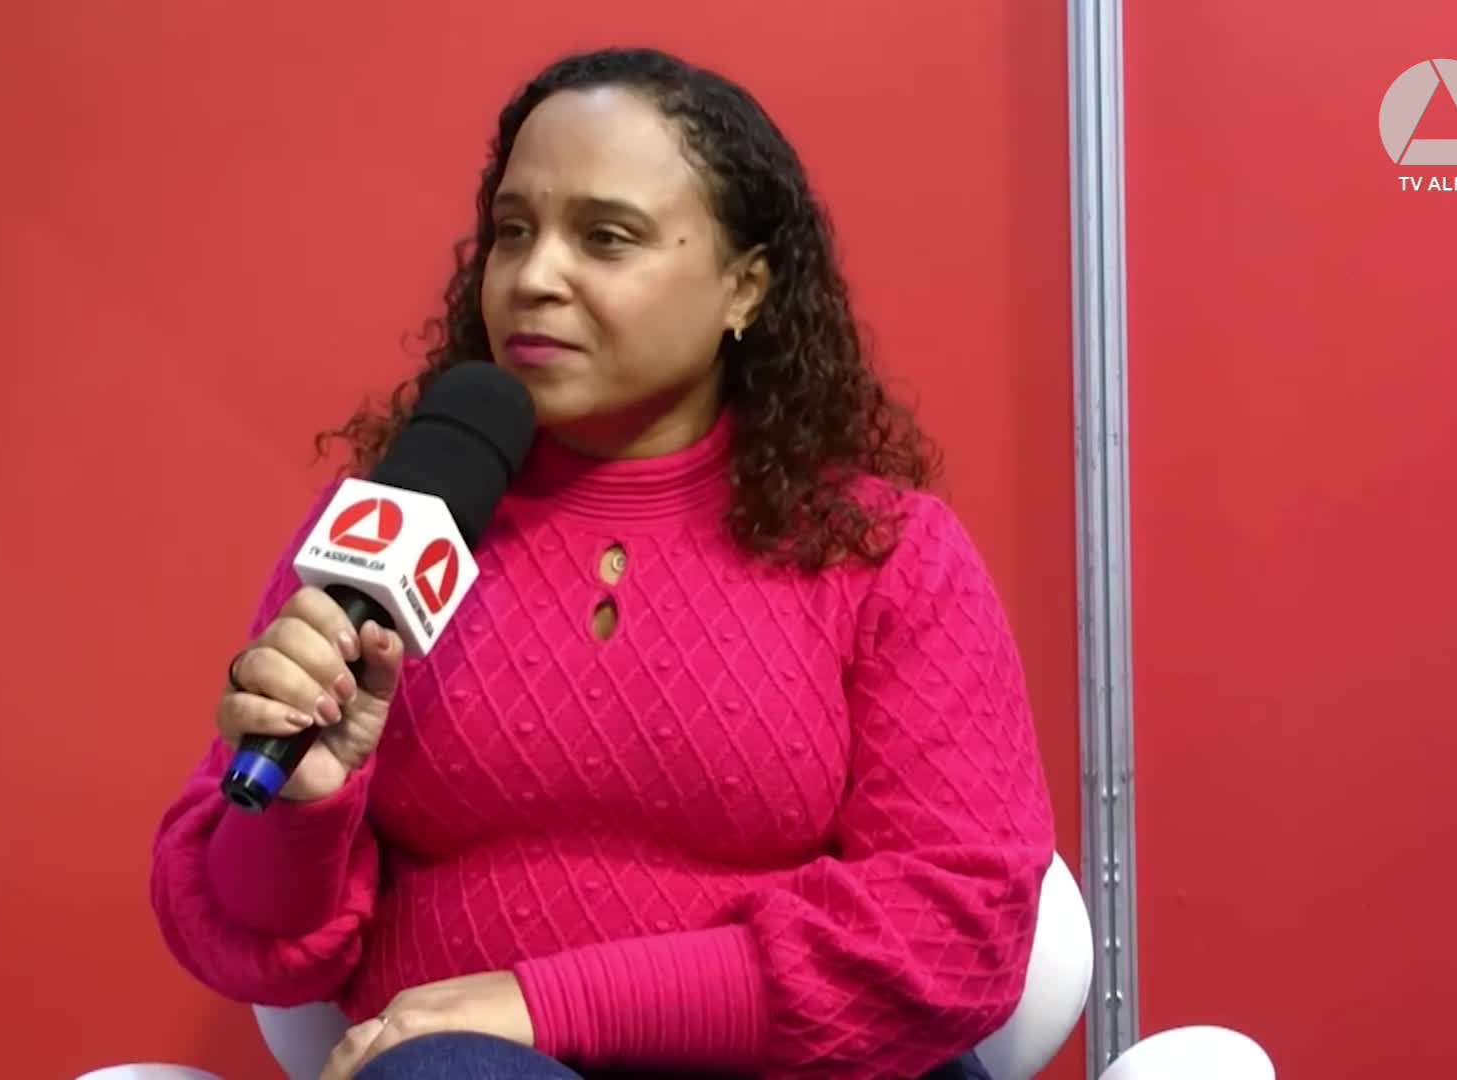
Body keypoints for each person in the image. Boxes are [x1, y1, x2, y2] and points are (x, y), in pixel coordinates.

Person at [150, 46, 1055, 1080]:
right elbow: (248, 935)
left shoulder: (885, 554)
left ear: (745, 287)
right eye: (512, 232)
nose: (533, 279)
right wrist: (304, 803)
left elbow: (956, 928)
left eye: (606, 238)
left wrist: (547, 1002)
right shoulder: (387, 530)